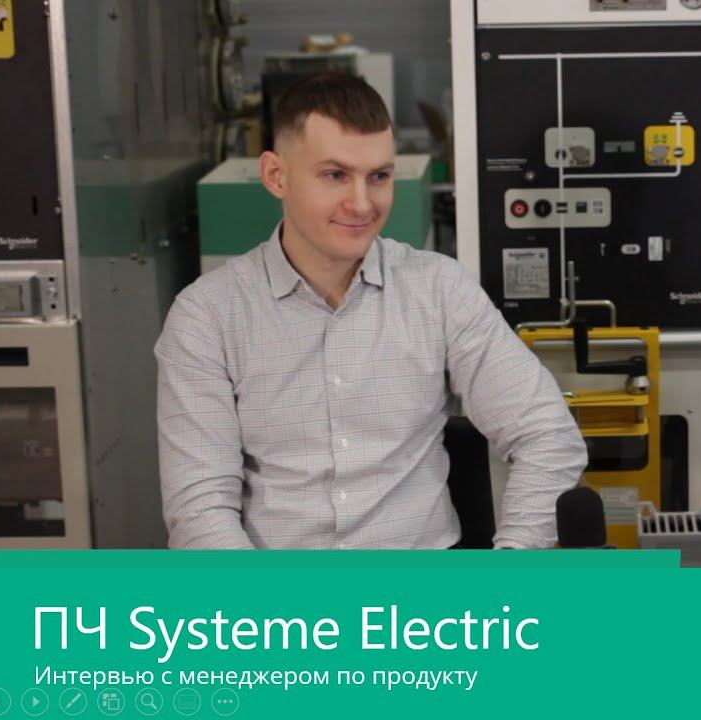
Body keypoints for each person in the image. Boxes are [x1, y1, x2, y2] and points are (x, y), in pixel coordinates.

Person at [155, 72, 586, 549]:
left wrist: (514, 564)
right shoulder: (207, 316)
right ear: (276, 176)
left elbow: (548, 435)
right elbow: (199, 507)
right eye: (335, 175)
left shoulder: (439, 289)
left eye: (378, 177)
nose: (362, 204)